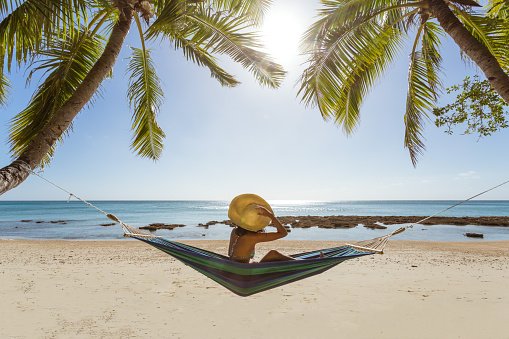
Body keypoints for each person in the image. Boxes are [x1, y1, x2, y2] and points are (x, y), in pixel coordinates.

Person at [227, 193, 296, 263]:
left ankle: (301, 263)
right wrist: (271, 216)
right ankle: (301, 263)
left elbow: (230, 254)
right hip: (243, 270)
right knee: (273, 254)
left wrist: (250, 261)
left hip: (233, 266)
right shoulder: (252, 237)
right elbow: (283, 233)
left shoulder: (235, 231)